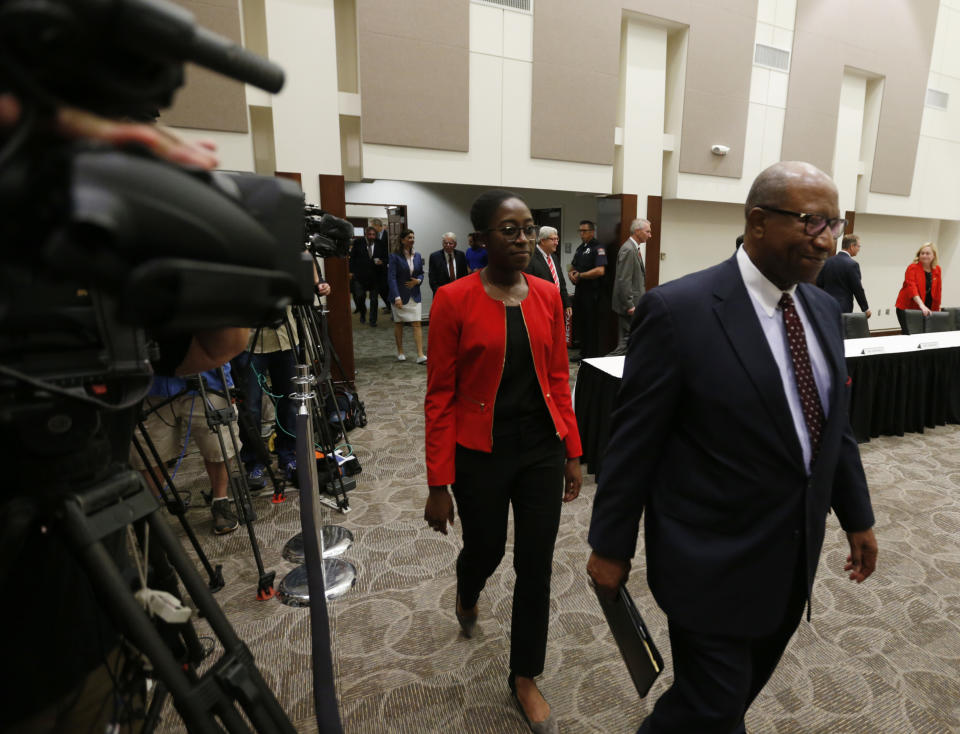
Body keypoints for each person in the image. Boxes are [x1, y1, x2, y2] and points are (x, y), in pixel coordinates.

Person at [587, 161, 878, 734]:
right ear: (758, 222)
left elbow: (831, 427)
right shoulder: (678, 311)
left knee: (726, 702)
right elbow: (633, 444)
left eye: (834, 223)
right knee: (712, 709)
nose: (826, 239)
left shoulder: (821, 308)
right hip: (708, 560)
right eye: (811, 221)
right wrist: (610, 546)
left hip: (791, 556)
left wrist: (857, 518)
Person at [424, 189, 583, 734]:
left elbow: (560, 377)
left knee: (534, 564)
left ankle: (524, 675)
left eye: (527, 228)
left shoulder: (545, 294)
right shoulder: (453, 299)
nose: (521, 239)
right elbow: (439, 395)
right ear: (481, 240)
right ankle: (468, 590)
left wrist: (573, 450)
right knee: (486, 549)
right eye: (508, 230)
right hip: (480, 452)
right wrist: (438, 481)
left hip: (541, 447)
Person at [131, 364, 242, 535]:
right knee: (149, 453)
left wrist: (226, 382)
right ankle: (152, 513)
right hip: (150, 384)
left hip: (206, 378)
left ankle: (220, 501)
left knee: (218, 446)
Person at [609, 218, 651, 355]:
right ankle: (599, 371)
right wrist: (629, 304)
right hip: (629, 306)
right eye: (648, 231)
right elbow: (624, 280)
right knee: (626, 344)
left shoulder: (633, 248)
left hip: (633, 304)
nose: (650, 235)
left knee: (629, 342)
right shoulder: (628, 249)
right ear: (637, 231)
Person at [569, 219, 607, 358]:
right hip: (580, 291)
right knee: (581, 323)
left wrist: (581, 275)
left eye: (584, 231)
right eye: (580, 231)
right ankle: (582, 352)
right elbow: (572, 266)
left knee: (591, 325)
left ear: (592, 232)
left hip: (592, 293)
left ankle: (590, 355)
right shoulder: (581, 248)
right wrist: (571, 274)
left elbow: (600, 271)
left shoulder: (598, 247)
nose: (581, 233)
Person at [388, 228, 426, 363]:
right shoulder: (394, 256)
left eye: (413, 238)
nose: (412, 240)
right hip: (399, 295)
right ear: (402, 240)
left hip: (414, 294)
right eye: (409, 238)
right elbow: (391, 278)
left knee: (417, 323)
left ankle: (420, 354)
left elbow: (421, 272)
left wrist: (418, 280)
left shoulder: (417, 255)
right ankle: (400, 352)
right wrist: (396, 297)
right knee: (399, 323)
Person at [816, 234, 871, 318]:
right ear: (852, 246)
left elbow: (819, 283)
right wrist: (865, 309)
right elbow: (858, 289)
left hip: (826, 304)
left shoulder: (827, 261)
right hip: (843, 308)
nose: (859, 249)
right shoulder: (853, 264)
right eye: (858, 246)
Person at [525, 226, 572, 318]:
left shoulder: (554, 257)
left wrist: (567, 304)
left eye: (557, 239)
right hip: (540, 308)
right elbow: (528, 287)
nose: (556, 243)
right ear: (542, 240)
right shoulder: (530, 258)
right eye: (553, 239)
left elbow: (561, 283)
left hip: (556, 305)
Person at [895, 242, 942, 334]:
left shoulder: (937, 269)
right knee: (911, 334)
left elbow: (938, 291)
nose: (924, 255)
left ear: (934, 256)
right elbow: (912, 287)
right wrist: (921, 305)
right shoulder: (912, 268)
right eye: (922, 253)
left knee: (925, 333)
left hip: (927, 307)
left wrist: (937, 309)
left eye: (927, 253)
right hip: (908, 307)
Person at [350, 226, 384, 326]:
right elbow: (352, 258)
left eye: (373, 235)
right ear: (366, 235)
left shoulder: (380, 244)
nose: (371, 236)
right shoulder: (358, 242)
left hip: (375, 276)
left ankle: (373, 320)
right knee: (360, 297)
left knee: (374, 299)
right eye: (369, 234)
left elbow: (386, 258)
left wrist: (382, 262)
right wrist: (351, 272)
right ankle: (363, 313)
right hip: (360, 276)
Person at [371, 218, 391, 314]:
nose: (372, 229)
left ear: (378, 226)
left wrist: (384, 261)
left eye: (373, 226)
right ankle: (388, 306)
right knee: (381, 289)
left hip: (387, 265)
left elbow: (389, 250)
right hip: (378, 266)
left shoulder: (388, 235)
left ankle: (390, 307)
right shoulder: (376, 236)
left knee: (385, 288)